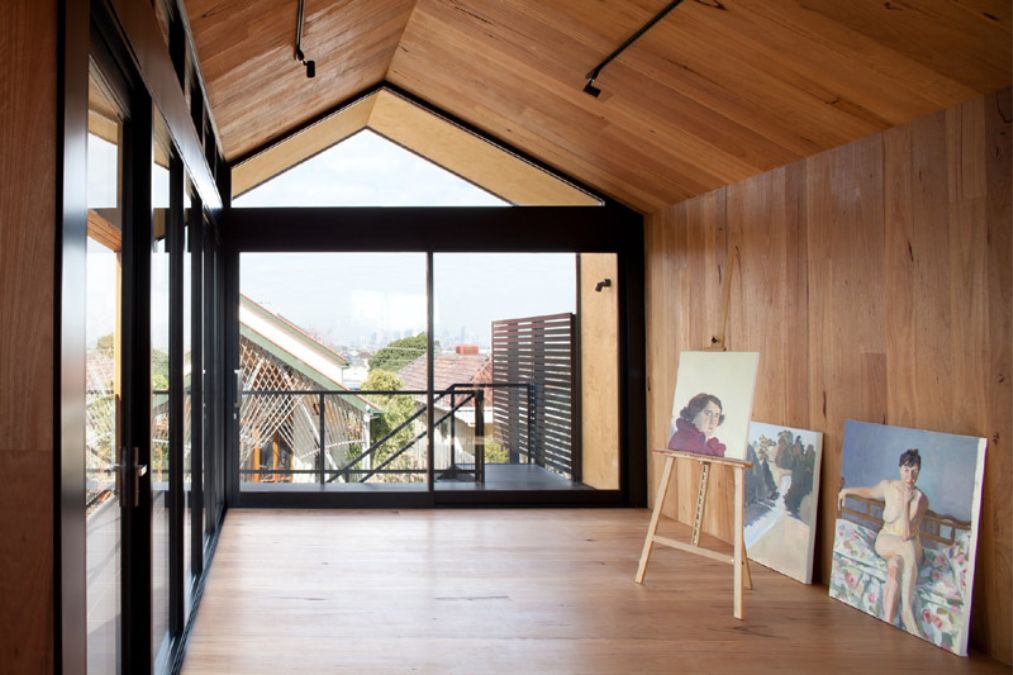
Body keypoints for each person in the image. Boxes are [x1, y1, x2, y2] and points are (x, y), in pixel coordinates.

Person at [837, 449, 928, 636]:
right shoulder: (888, 486)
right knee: (903, 549)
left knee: (896, 562)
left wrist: (906, 503)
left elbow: (905, 534)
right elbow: (869, 492)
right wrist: (846, 490)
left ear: (919, 471)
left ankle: (888, 621)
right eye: (906, 470)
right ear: (899, 469)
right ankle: (906, 612)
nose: (910, 476)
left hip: (909, 544)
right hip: (887, 540)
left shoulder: (920, 499)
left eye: (914, 471)